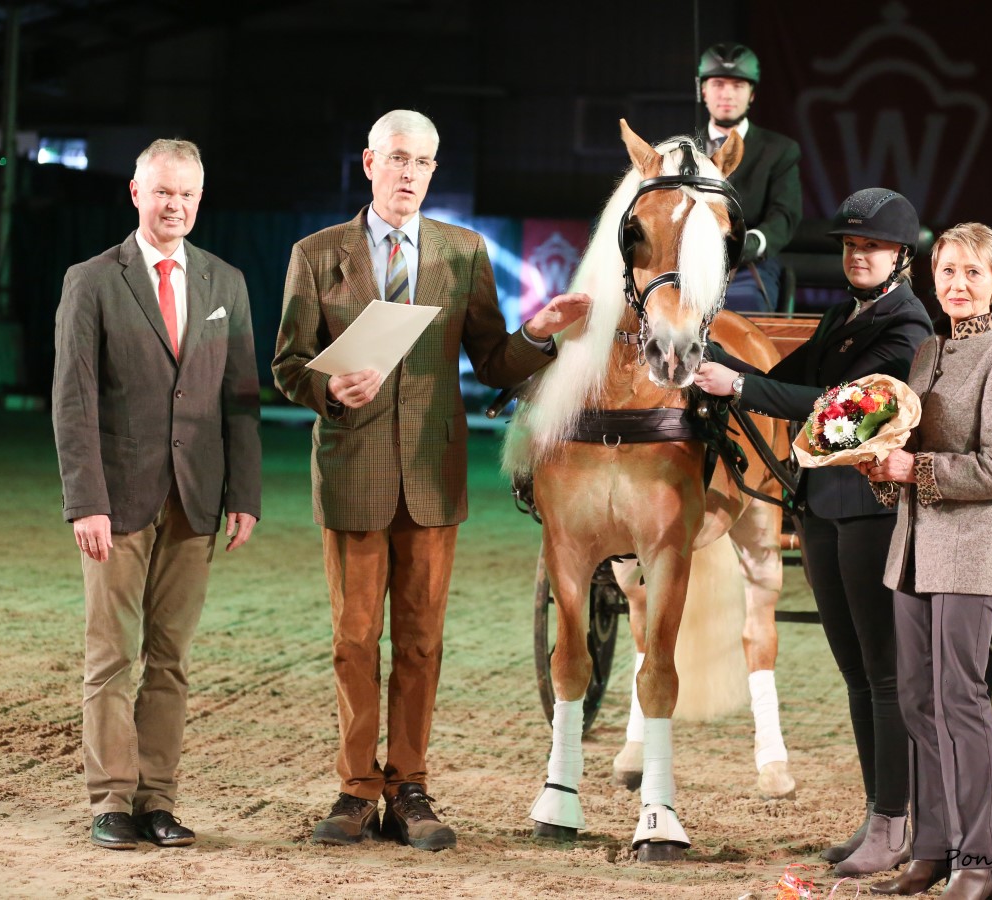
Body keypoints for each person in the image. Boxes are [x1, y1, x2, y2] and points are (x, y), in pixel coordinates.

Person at [272, 109, 589, 852]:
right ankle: (356, 790)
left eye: (423, 163)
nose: (410, 173)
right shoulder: (317, 254)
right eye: (399, 159)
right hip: (352, 469)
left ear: (433, 173)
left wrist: (538, 332)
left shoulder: (464, 252)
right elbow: (287, 363)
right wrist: (325, 389)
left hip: (432, 475)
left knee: (421, 643)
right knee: (355, 640)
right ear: (370, 163)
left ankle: (409, 789)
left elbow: (492, 364)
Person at [693, 188, 933, 875]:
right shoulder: (842, 318)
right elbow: (775, 378)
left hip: (872, 512)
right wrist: (699, 346)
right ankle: (876, 815)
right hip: (823, 508)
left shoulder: (905, 329)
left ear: (901, 257)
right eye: (852, 247)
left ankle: (896, 822)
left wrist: (736, 390)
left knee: (884, 675)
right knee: (857, 674)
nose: (859, 256)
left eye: (873, 247)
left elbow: (839, 412)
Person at [51, 138, 262, 851]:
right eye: (164, 192)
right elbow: (73, 402)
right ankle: (111, 800)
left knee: (170, 658)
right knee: (112, 656)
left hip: (196, 501)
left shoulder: (224, 282)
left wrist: (245, 494)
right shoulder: (91, 281)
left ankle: (157, 800)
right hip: (116, 501)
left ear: (200, 201)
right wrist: (86, 501)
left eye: (189, 196)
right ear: (136, 193)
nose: (176, 206)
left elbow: (241, 398)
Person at [860, 223, 992, 899]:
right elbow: (904, 454)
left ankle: (981, 860)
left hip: (970, 551)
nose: (958, 285)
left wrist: (916, 469)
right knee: (913, 698)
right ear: (932, 279)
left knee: (958, 700)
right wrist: (878, 467)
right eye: (947, 272)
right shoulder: (928, 351)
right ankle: (933, 849)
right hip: (912, 551)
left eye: (973, 273)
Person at [696, 41, 802, 312]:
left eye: (738, 85)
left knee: (744, 306)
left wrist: (750, 242)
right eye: (718, 84)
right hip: (688, 261)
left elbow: (784, 216)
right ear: (703, 90)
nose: (727, 94)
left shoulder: (780, 150)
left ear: (752, 93)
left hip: (748, 265)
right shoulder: (685, 148)